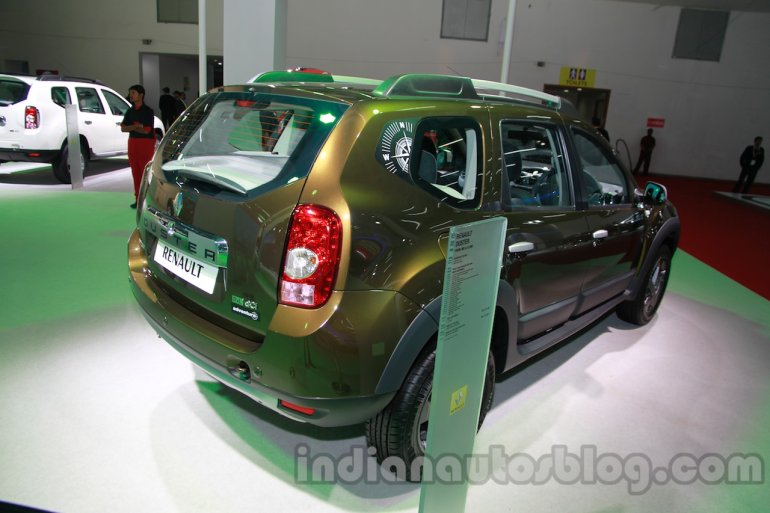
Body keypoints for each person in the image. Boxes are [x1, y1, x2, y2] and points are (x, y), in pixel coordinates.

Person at [121, 84, 156, 209]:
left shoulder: (148, 111)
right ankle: (138, 200)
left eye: (133, 93)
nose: (130, 95)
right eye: (130, 93)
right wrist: (136, 126)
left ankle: (147, 200)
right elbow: (123, 128)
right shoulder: (130, 111)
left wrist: (131, 127)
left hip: (145, 144)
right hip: (133, 143)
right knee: (135, 172)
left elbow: (146, 130)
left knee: (145, 172)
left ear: (141, 95)